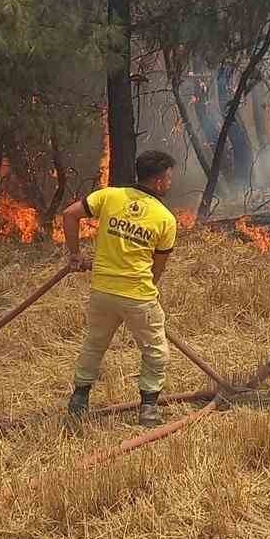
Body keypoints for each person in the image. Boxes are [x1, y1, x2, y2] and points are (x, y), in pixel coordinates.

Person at [62, 149, 178, 428]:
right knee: (155, 351)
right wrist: (144, 292)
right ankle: (149, 408)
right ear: (160, 181)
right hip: (138, 296)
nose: (171, 183)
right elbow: (157, 269)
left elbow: (69, 214)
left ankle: (79, 399)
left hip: (101, 291)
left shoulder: (109, 196)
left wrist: (75, 255)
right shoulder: (165, 219)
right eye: (169, 178)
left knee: (94, 344)